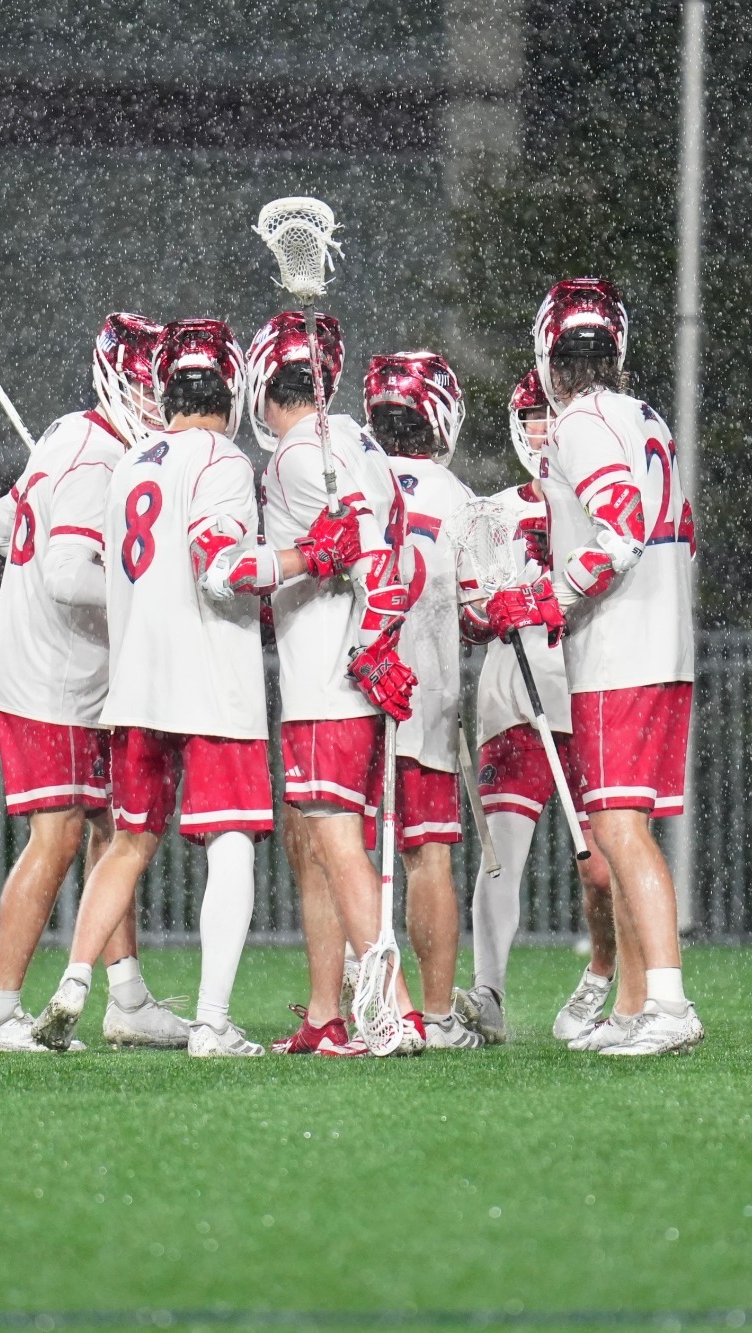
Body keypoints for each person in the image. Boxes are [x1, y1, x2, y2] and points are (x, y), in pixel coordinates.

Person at [24, 319, 278, 1056]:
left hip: (135, 682)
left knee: (129, 842)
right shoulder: (225, 459)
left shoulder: (131, 460)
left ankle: (73, 983)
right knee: (229, 841)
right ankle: (213, 1022)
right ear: (228, 391)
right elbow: (221, 567)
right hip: (210, 679)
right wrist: (300, 557)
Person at [0, 313, 189, 1053]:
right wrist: (144, 591)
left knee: (109, 830)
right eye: (145, 387)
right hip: (51, 681)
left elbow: (2, 526)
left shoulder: (68, 434)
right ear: (114, 383)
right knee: (59, 835)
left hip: (62, 673)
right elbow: (65, 576)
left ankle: (125, 997)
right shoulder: (98, 457)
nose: (157, 403)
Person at [226, 312, 426, 1058]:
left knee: (338, 841)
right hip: (347, 675)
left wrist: (371, 645)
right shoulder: (357, 443)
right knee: (316, 841)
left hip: (328, 678)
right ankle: (323, 1013)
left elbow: (371, 563)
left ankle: (395, 1006)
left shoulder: (293, 457)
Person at [531, 277, 702, 1057]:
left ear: (552, 358)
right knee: (625, 825)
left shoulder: (581, 421)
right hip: (662, 640)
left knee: (621, 830)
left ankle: (666, 1001)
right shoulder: (644, 416)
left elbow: (619, 530)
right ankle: (637, 1001)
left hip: (619, 647)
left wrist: (548, 595)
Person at [455, 369, 624, 1047]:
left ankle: (607, 971)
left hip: (583, 695)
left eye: (550, 413)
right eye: (532, 414)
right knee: (501, 856)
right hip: (512, 700)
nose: (542, 428)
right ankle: (489, 990)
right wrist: (483, 610)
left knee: (602, 866)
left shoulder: (601, 510)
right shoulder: (491, 510)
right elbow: (466, 613)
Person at [363, 351, 485, 1050]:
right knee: (427, 858)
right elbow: (481, 606)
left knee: (344, 855)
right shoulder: (458, 496)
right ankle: (435, 1015)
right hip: (425, 700)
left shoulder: (352, 475)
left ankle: (362, 1005)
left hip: (352, 693)